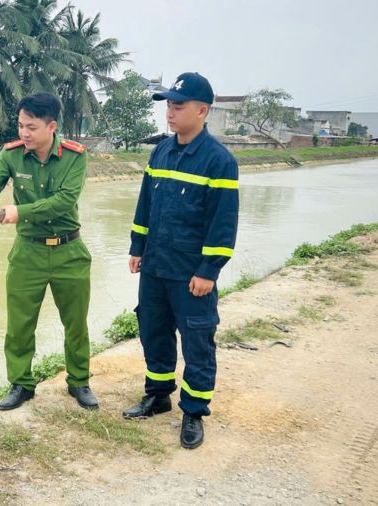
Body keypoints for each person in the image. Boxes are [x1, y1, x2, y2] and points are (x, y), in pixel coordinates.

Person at [0, 92, 98, 410]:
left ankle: (79, 382)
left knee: (75, 322)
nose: (23, 133)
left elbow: (64, 201)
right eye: (20, 125)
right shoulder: (12, 156)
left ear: (51, 126)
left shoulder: (75, 156)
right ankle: (21, 384)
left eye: (31, 127)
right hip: (28, 252)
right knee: (19, 324)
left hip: (69, 251)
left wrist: (21, 211)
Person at [122, 72, 239, 450]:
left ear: (202, 110)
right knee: (153, 331)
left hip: (190, 274)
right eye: (169, 105)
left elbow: (223, 223)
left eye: (179, 105)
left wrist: (209, 271)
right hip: (155, 266)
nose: (170, 113)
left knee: (197, 341)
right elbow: (145, 204)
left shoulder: (219, 161)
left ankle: (193, 411)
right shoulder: (160, 152)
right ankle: (158, 396)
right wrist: (137, 247)